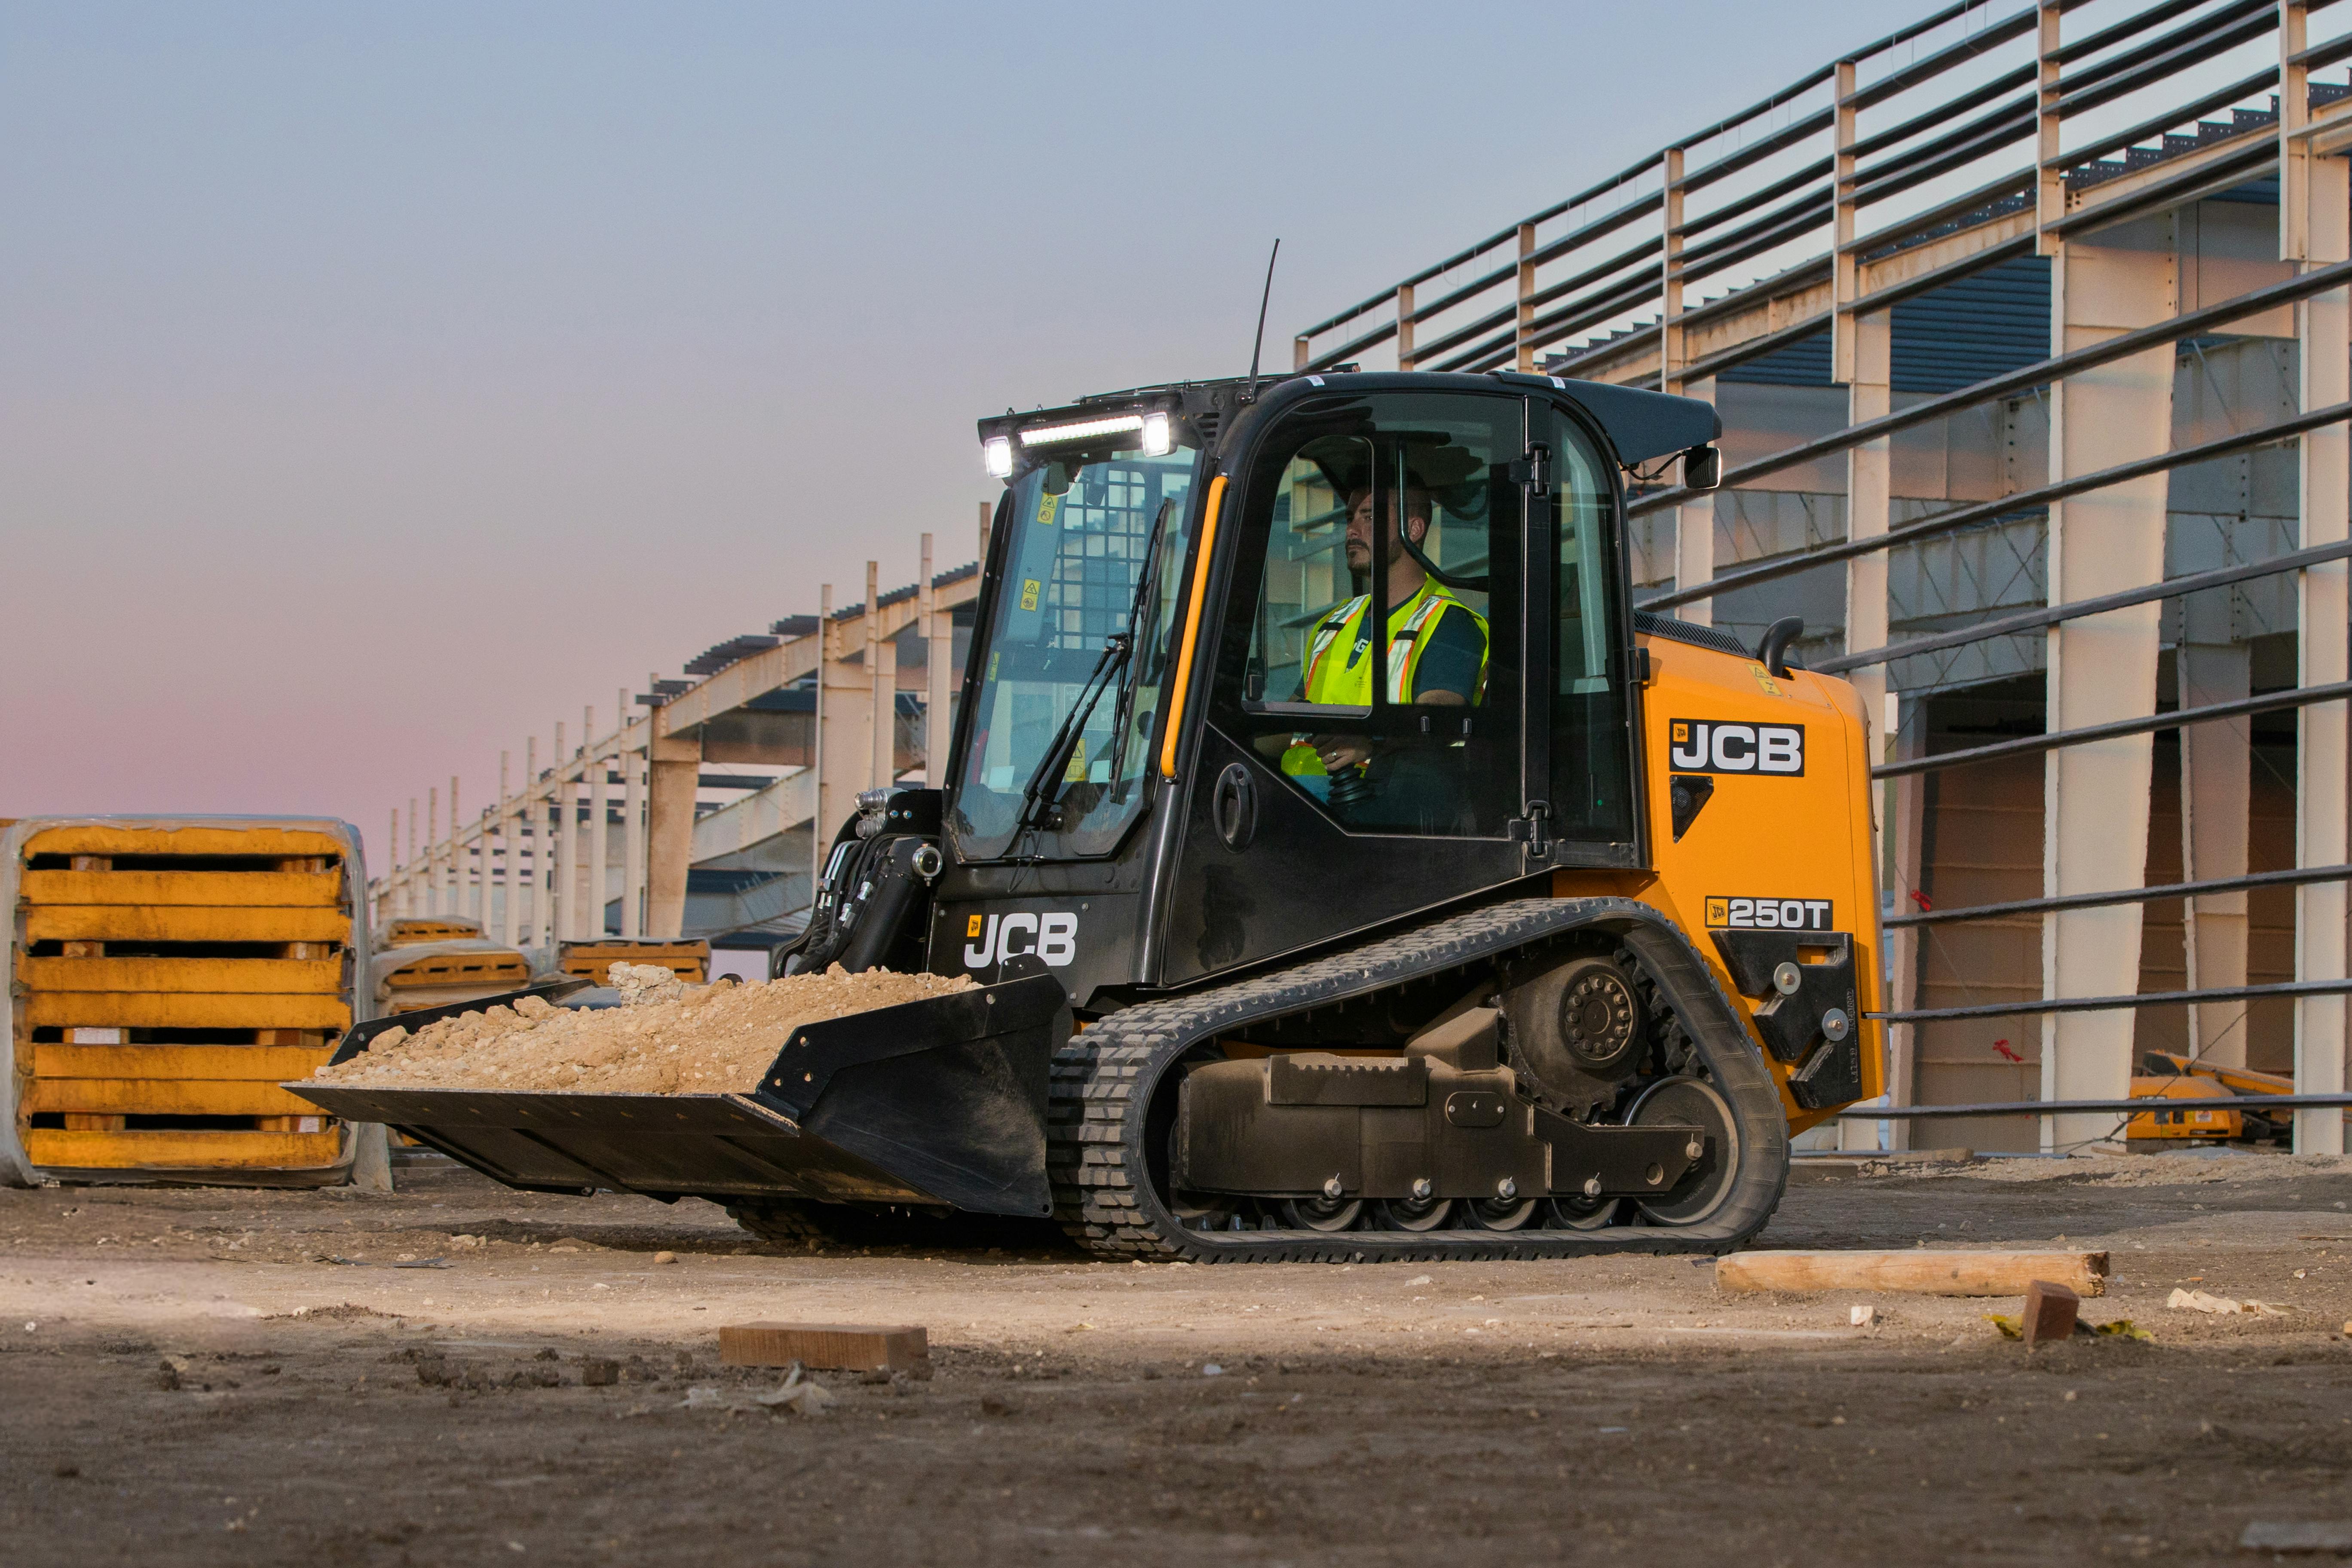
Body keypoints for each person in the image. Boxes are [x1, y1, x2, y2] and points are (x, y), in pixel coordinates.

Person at [1280, 483, 1488, 783]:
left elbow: (1440, 718)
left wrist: (1371, 743)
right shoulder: (1334, 623)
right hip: (1298, 797)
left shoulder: (1449, 624)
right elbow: (1288, 722)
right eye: (1350, 518)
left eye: (1369, 518)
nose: (1352, 530)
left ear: (1413, 530)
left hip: (1383, 807)